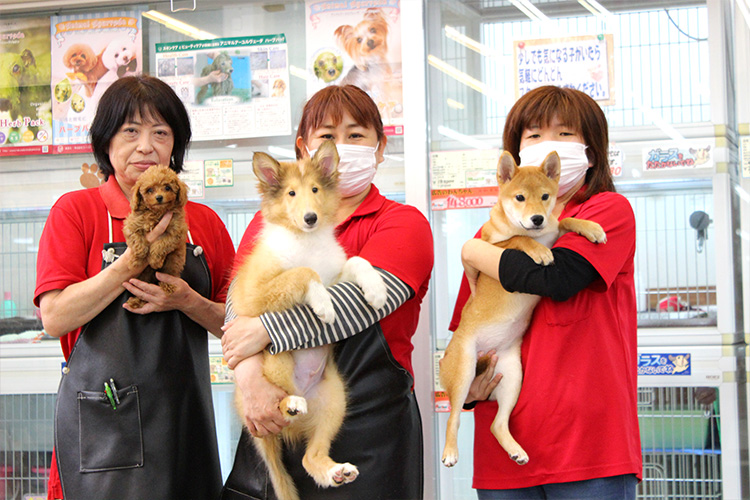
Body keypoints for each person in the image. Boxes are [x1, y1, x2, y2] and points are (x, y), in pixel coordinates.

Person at [219, 84, 434, 499]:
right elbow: (237, 305)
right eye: (327, 135)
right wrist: (249, 380)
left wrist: (267, 331)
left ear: (380, 146)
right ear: (303, 148)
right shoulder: (276, 222)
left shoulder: (403, 223)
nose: (340, 148)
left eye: (356, 135)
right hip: (273, 412)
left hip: (367, 433)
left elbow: (354, 307)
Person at [34, 75, 235, 500]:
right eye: (131, 132)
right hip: (106, 428)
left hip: (185, 424)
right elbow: (54, 317)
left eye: (160, 133)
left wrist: (187, 301)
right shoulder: (77, 211)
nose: (146, 146)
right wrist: (131, 261)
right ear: (106, 141)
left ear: (174, 146)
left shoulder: (205, 222)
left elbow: (237, 323)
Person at [449, 85, 642, 499]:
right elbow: (466, 333)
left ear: (592, 149)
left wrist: (474, 250)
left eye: (564, 133)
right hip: (506, 450)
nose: (547, 143)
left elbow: (554, 279)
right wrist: (468, 391)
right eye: (533, 135)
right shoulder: (494, 236)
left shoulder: (606, 212)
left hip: (587, 449)